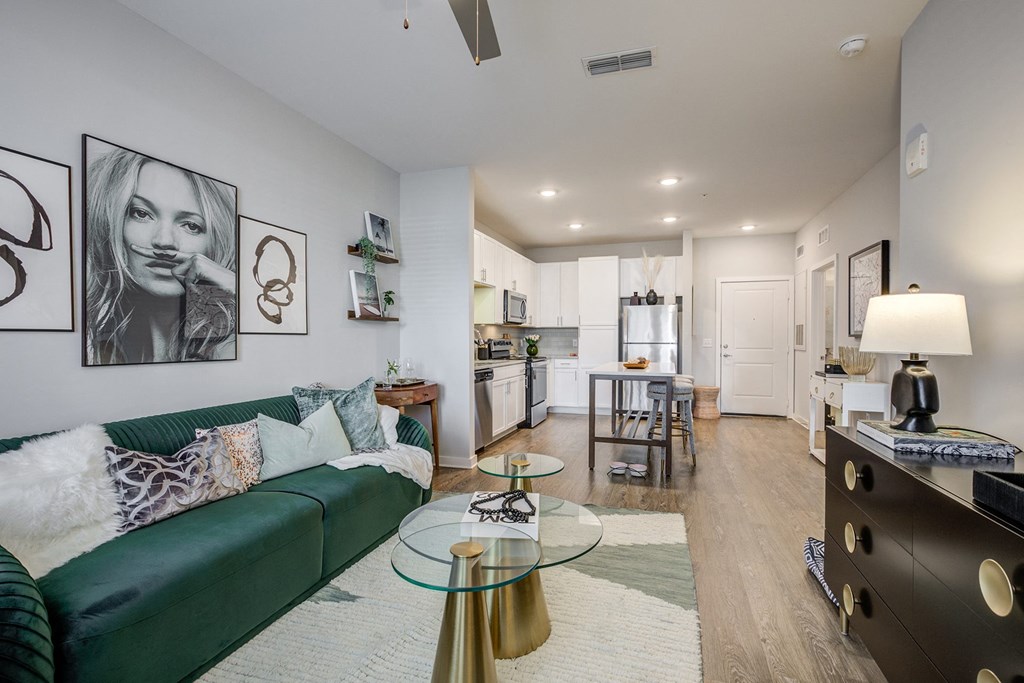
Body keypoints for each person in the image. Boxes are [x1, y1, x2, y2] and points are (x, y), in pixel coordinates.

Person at [84, 143, 236, 364]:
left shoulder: (227, 346)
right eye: (141, 213)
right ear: (110, 221)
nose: (164, 241)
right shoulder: (94, 345)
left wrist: (237, 290)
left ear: (215, 242)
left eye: (191, 226)